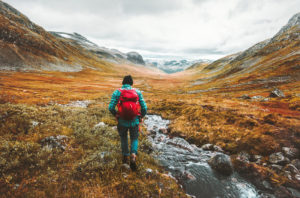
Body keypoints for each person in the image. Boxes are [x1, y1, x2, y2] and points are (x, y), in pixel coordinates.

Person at [108, 75, 147, 170]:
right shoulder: (137, 92)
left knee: (123, 138)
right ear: (131, 83)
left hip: (122, 120)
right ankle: (133, 155)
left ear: (123, 83)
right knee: (134, 138)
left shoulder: (117, 92)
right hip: (134, 120)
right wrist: (141, 116)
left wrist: (116, 115)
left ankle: (125, 157)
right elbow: (144, 107)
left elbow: (110, 107)